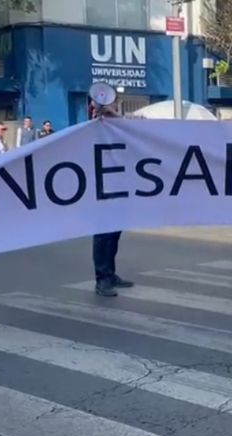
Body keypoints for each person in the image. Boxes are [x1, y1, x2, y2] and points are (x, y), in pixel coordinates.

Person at [89, 100, 133, 297]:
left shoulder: (116, 128)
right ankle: (102, 279)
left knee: (114, 233)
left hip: (117, 187)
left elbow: (129, 130)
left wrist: (113, 114)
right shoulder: (91, 128)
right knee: (103, 235)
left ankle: (110, 273)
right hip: (100, 190)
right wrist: (98, 116)